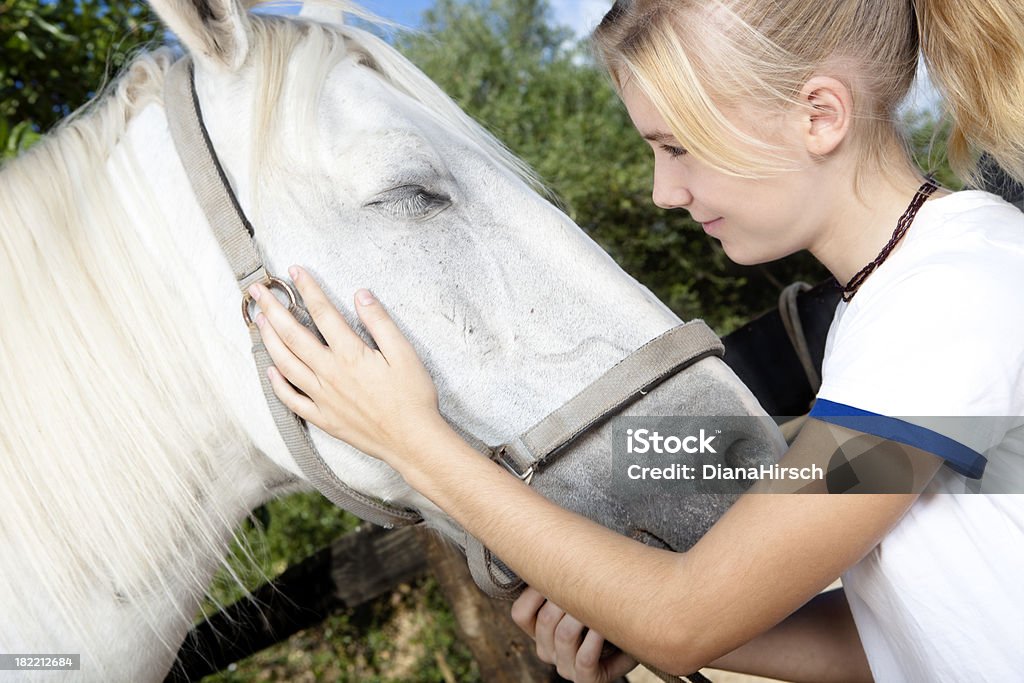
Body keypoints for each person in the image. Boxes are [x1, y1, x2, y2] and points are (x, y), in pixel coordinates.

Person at [248, 0, 1024, 680]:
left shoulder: (946, 303)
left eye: (677, 146)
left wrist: (411, 441)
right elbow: (902, 637)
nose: (664, 191)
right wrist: (631, 616)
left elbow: (685, 618)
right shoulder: (911, 298)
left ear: (820, 115)